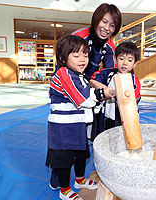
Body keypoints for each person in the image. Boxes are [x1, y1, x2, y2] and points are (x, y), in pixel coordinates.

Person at [45, 35, 115, 200]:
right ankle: (64, 189)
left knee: (81, 153)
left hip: (77, 125)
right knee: (64, 160)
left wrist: (99, 98)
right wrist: (104, 92)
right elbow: (82, 98)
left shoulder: (79, 75)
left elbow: (89, 101)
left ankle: (79, 180)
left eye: (85, 55)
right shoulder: (63, 74)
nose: (82, 59)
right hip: (63, 128)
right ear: (63, 58)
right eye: (76, 56)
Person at [91, 41, 141, 135]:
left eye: (130, 60)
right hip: (108, 118)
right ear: (115, 59)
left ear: (135, 64)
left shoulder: (134, 80)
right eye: (121, 58)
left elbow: (134, 98)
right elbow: (92, 79)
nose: (125, 63)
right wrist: (100, 86)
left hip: (126, 120)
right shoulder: (107, 74)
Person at [72, 3, 122, 77]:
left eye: (112, 26)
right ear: (96, 19)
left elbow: (109, 72)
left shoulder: (110, 47)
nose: (107, 28)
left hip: (88, 83)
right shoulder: (78, 37)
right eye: (104, 22)